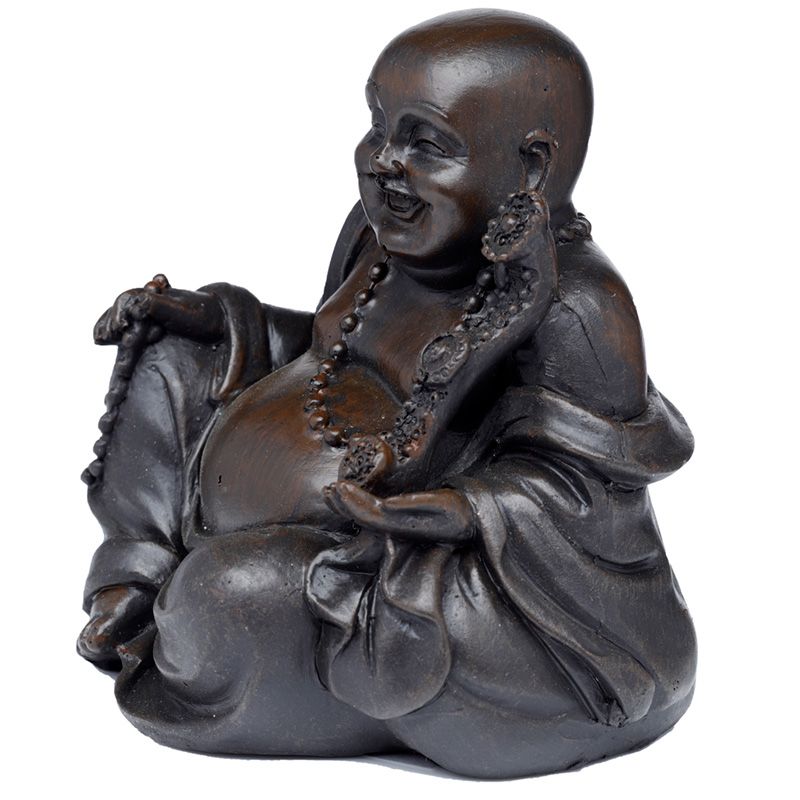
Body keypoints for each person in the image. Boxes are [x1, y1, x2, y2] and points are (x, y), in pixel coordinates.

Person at [77, 10, 696, 778]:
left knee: (225, 599)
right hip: (297, 507)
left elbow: (582, 494)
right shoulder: (383, 234)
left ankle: (200, 616)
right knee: (173, 358)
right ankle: (138, 576)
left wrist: (444, 512)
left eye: (425, 143)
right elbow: (331, 350)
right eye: (377, 127)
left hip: (406, 567)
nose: (383, 163)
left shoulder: (577, 306)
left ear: (531, 167)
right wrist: (223, 322)